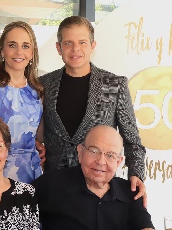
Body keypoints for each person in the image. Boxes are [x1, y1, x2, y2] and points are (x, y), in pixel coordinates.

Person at [38, 15, 147, 206]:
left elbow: (132, 139)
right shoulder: (43, 85)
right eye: (68, 43)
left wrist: (136, 174)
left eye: (82, 42)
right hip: (55, 188)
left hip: (98, 188)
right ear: (58, 47)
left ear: (92, 45)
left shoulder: (115, 85)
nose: (75, 49)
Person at [32, 125, 155, 230]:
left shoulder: (131, 192)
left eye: (110, 156)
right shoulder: (50, 184)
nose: (101, 161)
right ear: (80, 152)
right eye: (94, 151)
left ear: (118, 162)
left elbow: (144, 225)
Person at [0, 21, 45, 184]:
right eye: (12, 45)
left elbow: (38, 138)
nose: (19, 52)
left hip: (31, 175)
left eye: (26, 46)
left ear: (32, 53)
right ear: (2, 51)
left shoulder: (38, 92)